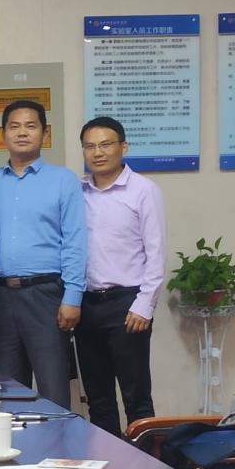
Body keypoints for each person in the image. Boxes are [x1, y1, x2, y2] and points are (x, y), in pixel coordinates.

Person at [0, 100, 86, 408]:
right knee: (8, 393)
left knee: (53, 390)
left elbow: (75, 240)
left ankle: (59, 441)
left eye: (31, 126)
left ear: (45, 133)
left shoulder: (63, 180)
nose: (22, 133)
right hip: (0, 297)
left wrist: (73, 297)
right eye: (14, 126)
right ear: (3, 134)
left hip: (46, 296)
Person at [74, 116, 165, 436]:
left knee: (136, 396)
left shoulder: (143, 190)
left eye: (106, 144)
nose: (98, 152)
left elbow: (155, 251)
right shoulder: (78, 191)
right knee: (97, 398)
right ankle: (109, 462)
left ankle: (147, 461)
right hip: (86, 305)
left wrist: (145, 305)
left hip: (127, 304)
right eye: (90, 146)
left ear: (123, 147)